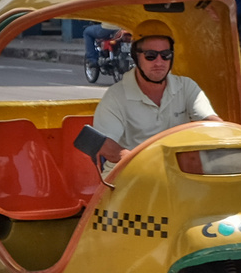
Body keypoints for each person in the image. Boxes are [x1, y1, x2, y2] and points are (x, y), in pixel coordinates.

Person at [92, 20, 221, 171]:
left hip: (179, 173)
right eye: (150, 56)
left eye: (165, 55)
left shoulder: (186, 87)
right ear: (136, 56)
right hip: (129, 174)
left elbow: (211, 122)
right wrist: (140, 163)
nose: (159, 62)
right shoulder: (115, 96)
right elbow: (105, 144)